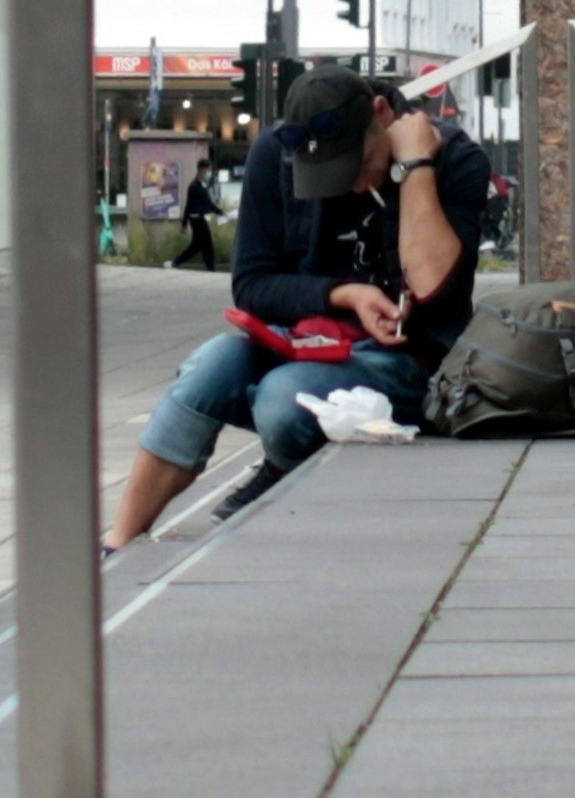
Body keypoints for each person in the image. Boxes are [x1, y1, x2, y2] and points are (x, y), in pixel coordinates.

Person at [103, 64, 491, 553]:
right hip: (305, 344)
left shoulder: (454, 157)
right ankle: (119, 540)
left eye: (354, 165)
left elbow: (436, 291)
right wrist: (341, 294)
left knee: (283, 398)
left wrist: (415, 168)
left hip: (409, 362)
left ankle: (279, 472)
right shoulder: (277, 155)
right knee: (211, 366)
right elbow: (251, 285)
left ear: (381, 114)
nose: (345, 185)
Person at [166, 158, 223, 271]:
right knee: (207, 245)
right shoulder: (193, 187)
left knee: (197, 246)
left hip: (202, 219)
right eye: (209, 169)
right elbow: (188, 205)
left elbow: (208, 203)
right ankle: (210, 269)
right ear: (202, 169)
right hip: (196, 219)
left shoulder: (203, 185)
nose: (209, 172)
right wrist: (184, 224)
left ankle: (175, 263)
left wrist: (220, 212)